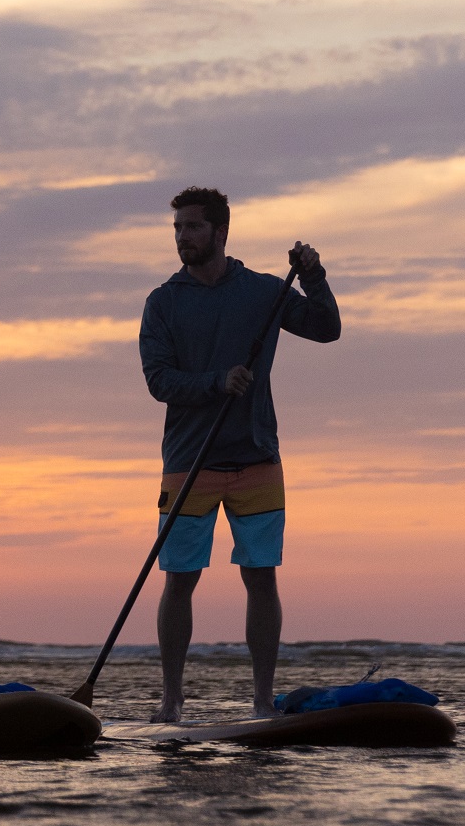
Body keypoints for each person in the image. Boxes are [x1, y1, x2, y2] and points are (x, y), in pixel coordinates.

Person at [138, 186, 339, 721]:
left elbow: (326, 329)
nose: (183, 237)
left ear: (220, 233)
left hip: (256, 456)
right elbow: (159, 380)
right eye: (178, 228)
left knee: (261, 575)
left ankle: (261, 699)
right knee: (179, 579)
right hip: (188, 461)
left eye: (193, 228)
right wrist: (214, 382)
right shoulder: (163, 301)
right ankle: (171, 699)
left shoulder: (264, 292)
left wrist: (314, 274)